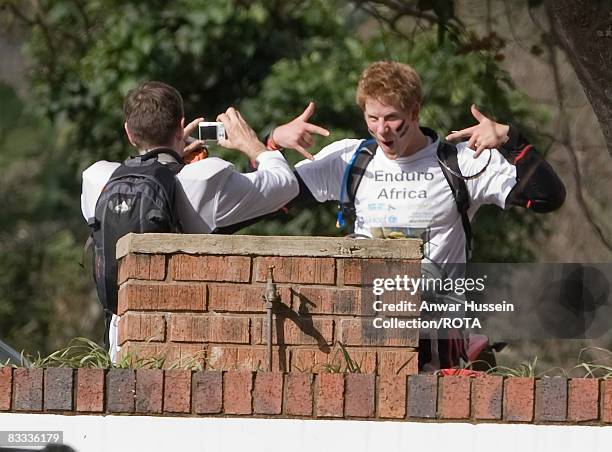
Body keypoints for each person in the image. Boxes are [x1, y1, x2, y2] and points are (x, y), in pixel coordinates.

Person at [268, 61, 566, 370]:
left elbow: (547, 197)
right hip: (369, 329)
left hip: (439, 333)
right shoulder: (349, 159)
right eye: (373, 117)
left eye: (392, 117)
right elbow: (272, 199)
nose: (382, 129)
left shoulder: (464, 162)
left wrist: (510, 139)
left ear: (414, 111)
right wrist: (273, 143)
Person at [80, 81, 299, 360]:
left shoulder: (97, 179)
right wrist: (253, 145)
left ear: (128, 132)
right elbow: (285, 184)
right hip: (180, 338)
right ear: (180, 125)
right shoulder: (205, 178)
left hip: (122, 337)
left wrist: (167, 156)